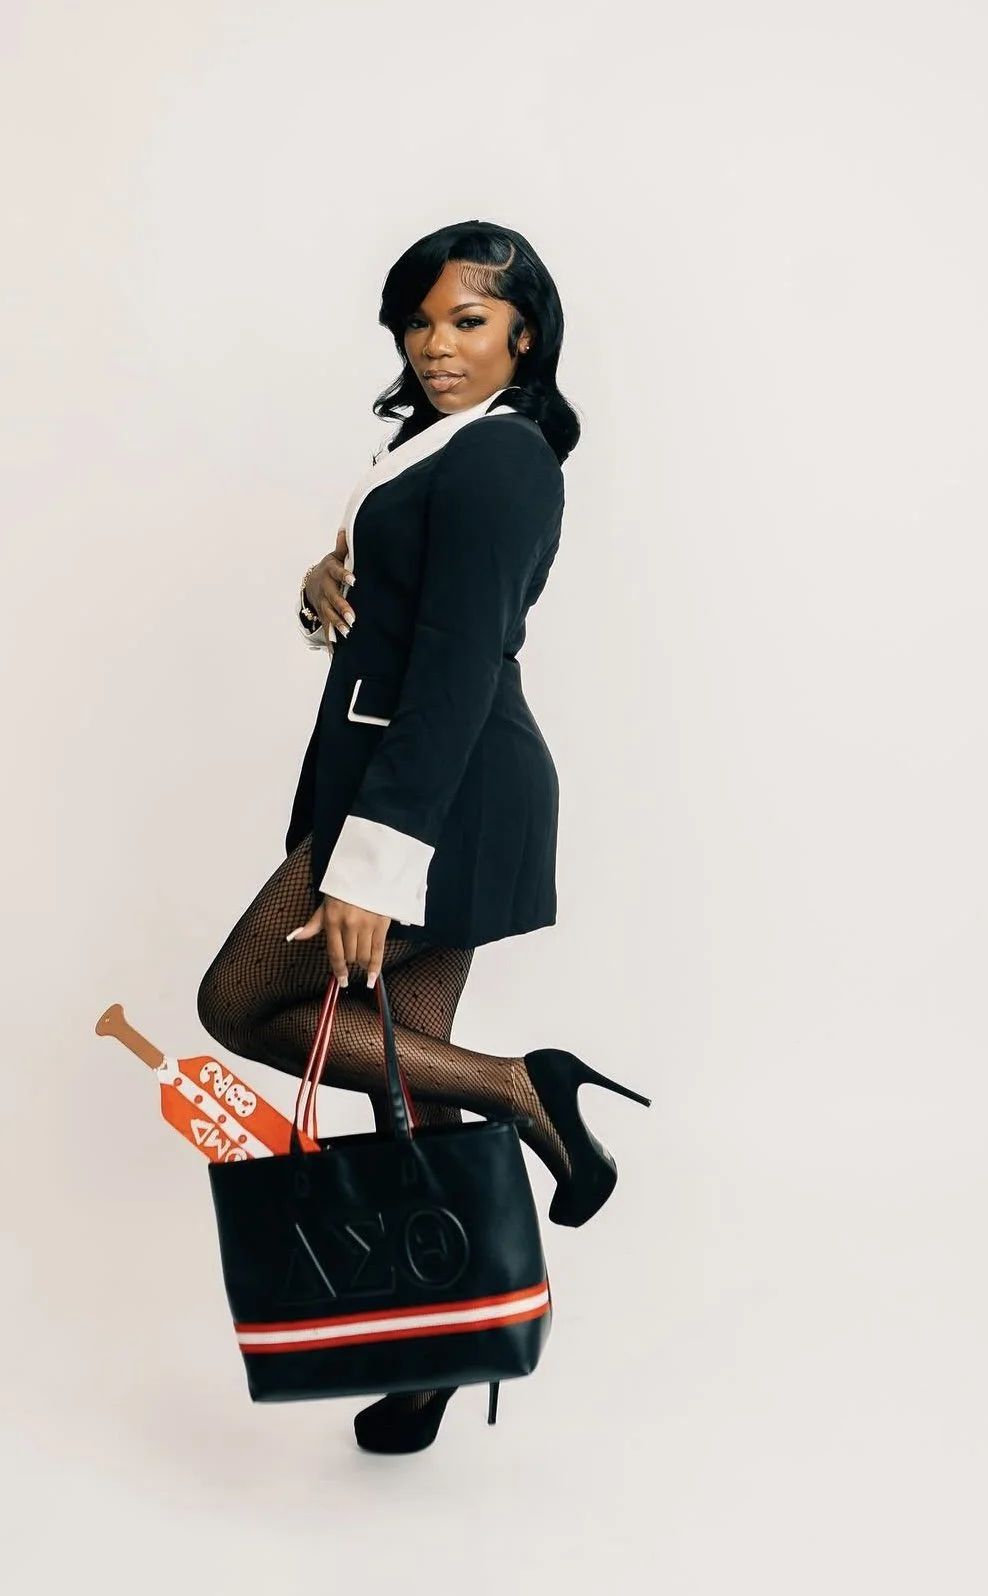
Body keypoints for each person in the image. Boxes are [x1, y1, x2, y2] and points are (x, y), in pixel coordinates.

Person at [196, 219, 651, 1454]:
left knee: (240, 1001)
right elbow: (397, 616)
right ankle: (440, 1348)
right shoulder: (435, 445)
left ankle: (526, 1089)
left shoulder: (507, 463)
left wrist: (376, 861)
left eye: (466, 321)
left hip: (441, 797)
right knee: (404, 1073)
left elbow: (457, 663)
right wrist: (321, 592)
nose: (436, 344)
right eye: (420, 320)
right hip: (426, 787)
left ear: (525, 332)